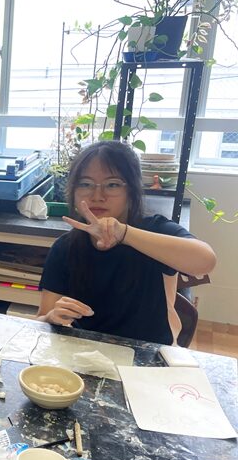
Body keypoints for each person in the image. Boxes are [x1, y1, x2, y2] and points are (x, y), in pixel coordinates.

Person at [37, 140, 217, 345]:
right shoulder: (65, 247)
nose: (97, 196)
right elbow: (42, 318)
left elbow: (206, 261)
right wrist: (52, 318)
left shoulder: (154, 230)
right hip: (85, 352)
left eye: (112, 185)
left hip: (149, 354)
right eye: (85, 184)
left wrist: (123, 233)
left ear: (131, 191)